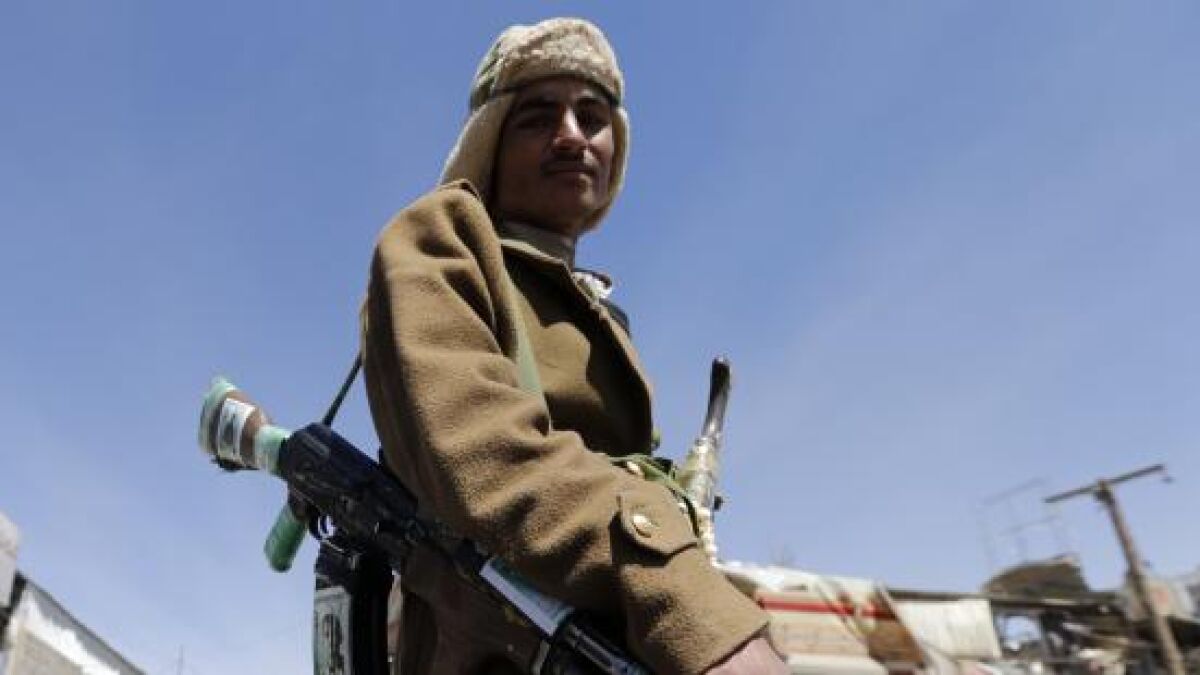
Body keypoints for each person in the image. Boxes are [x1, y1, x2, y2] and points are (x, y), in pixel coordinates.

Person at [361, 17, 787, 675]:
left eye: (592, 117)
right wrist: (695, 612)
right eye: (538, 118)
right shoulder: (442, 238)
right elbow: (489, 461)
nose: (572, 135)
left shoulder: (599, 313)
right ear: (491, 140)